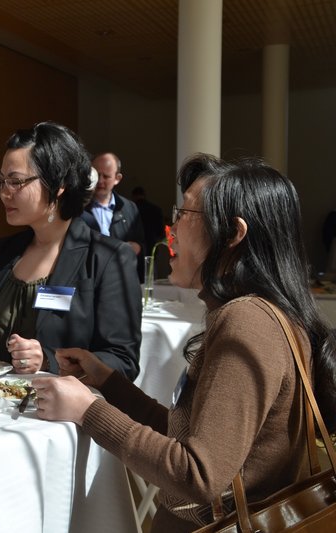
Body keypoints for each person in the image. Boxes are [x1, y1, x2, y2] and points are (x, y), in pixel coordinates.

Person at [32, 154, 336, 531]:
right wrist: (108, 383)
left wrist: (88, 411)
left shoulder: (246, 323)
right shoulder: (267, 313)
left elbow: (197, 475)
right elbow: (194, 436)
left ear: (233, 233)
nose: (170, 229)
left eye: (184, 214)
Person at [0, 122, 142, 380]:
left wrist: (49, 360)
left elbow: (123, 361)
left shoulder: (107, 257)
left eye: (15, 181)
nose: (4, 193)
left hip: (58, 405)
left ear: (59, 184)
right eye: (2, 181)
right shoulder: (1, 252)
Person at [81, 152, 145, 257]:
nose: (100, 181)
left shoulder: (129, 208)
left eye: (106, 176)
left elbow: (142, 243)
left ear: (117, 179)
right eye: (97, 175)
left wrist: (136, 248)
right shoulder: (79, 207)